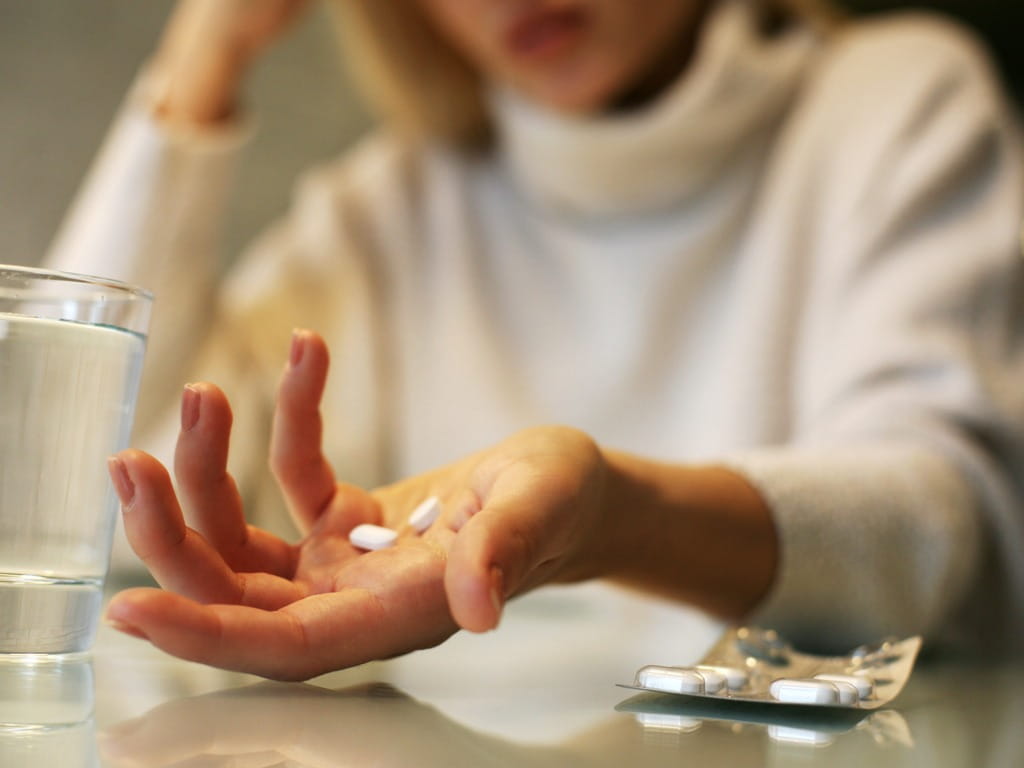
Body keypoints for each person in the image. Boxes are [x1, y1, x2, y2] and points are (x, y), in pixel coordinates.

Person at [47, 0, 1024, 681]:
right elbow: (70, 479)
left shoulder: (891, 102)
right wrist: (200, 60)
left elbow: (950, 525)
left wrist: (619, 519)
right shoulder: (393, 207)